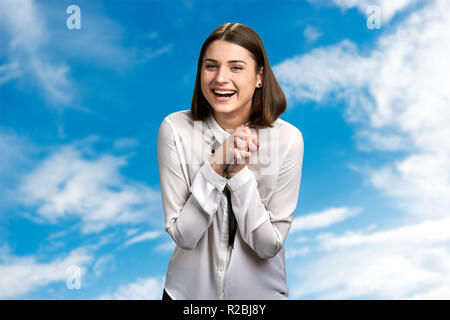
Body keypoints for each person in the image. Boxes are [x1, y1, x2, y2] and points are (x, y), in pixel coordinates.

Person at [157, 22, 304, 300]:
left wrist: (237, 174)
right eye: (211, 66)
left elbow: (268, 245)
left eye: (236, 67)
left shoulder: (288, 140)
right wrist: (214, 167)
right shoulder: (175, 129)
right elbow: (184, 236)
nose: (220, 78)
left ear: (259, 76)